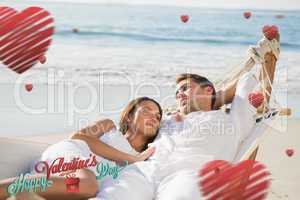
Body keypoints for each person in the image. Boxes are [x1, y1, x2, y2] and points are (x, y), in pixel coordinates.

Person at [92, 34, 280, 200]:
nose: (178, 94)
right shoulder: (164, 119)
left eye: (184, 88)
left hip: (189, 174)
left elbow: (250, 83)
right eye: (176, 92)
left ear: (208, 90)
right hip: (146, 171)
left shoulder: (231, 120)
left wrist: (268, 54)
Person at [0, 97, 163, 200]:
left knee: (85, 188)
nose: (153, 118)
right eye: (147, 110)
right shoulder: (108, 126)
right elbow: (78, 136)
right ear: (129, 116)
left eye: (157, 116)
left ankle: (22, 193)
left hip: (64, 183)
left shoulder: (144, 159)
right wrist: (131, 159)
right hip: (71, 156)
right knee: (87, 184)